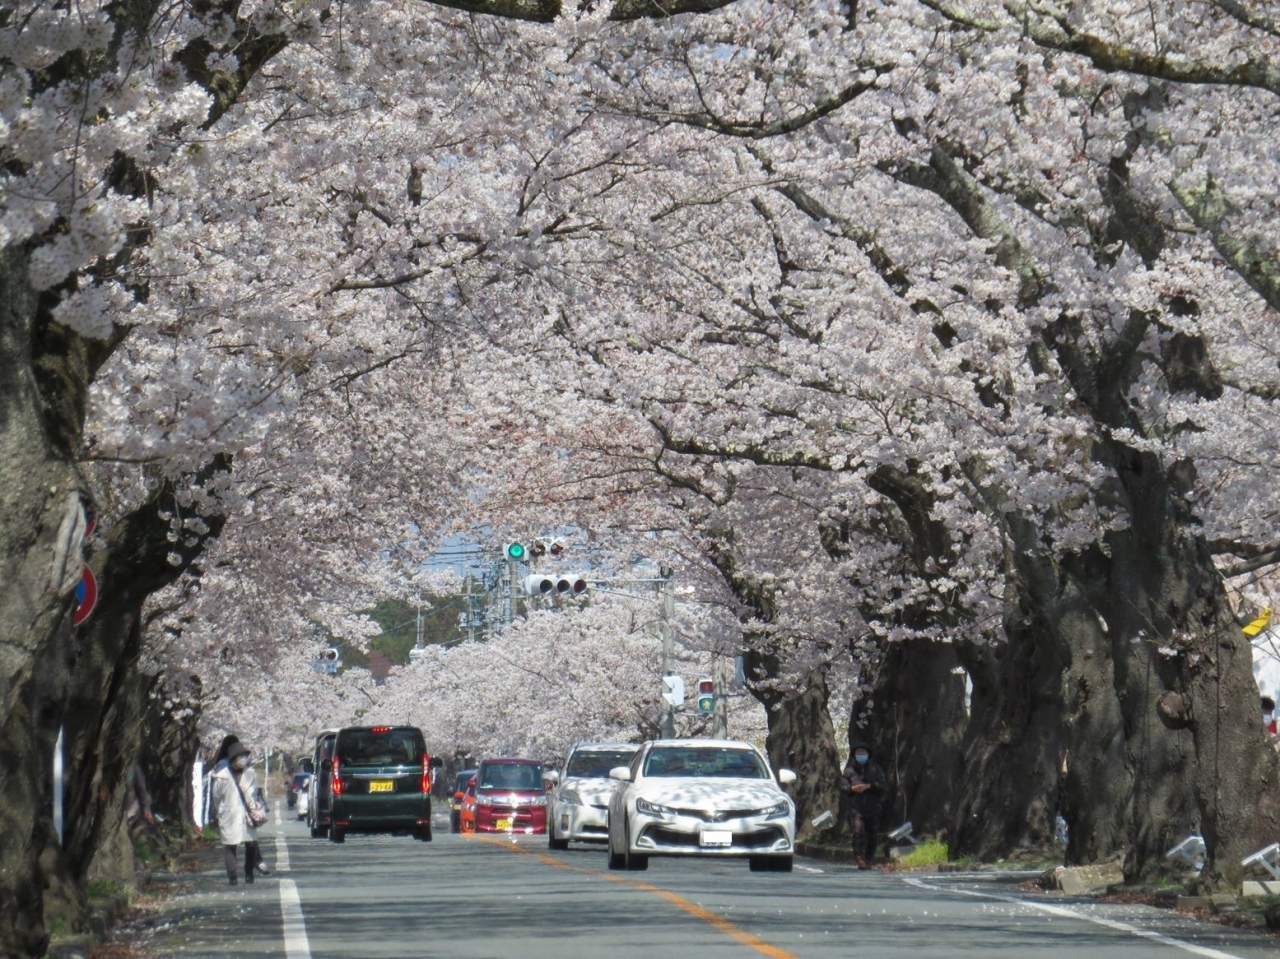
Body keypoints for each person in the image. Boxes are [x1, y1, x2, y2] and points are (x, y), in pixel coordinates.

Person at [208, 742, 269, 885]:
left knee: (252, 844)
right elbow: (216, 796)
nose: (244, 759)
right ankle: (232, 876)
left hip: (248, 813)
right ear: (233, 759)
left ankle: (249, 873)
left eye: (245, 756)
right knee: (230, 845)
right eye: (241, 757)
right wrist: (217, 809)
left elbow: (254, 792)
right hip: (229, 813)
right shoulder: (222, 776)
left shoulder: (250, 773)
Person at [839, 742, 887, 870]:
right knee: (858, 832)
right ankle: (859, 858)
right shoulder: (849, 771)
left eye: (863, 752)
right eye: (858, 752)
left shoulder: (876, 769)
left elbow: (883, 786)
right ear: (854, 755)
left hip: (873, 807)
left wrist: (869, 786)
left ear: (868, 754)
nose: (861, 754)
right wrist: (852, 788)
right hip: (856, 807)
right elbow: (842, 786)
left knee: (873, 835)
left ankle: (869, 858)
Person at [125, 763, 153, 828]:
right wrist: (146, 807)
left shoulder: (134, 819)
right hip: (130, 780)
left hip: (127, 809)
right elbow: (142, 787)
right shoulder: (145, 802)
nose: (148, 816)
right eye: (149, 817)